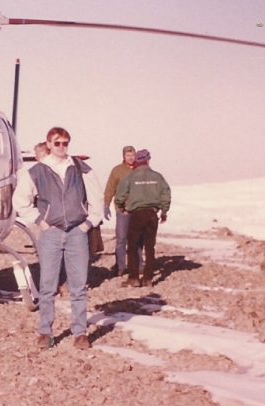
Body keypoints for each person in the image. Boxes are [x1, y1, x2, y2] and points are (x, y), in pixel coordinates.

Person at [13, 127, 103, 350]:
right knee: (47, 285)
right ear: (49, 144)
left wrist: (87, 224)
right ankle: (45, 332)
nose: (62, 147)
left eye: (65, 143)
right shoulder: (35, 172)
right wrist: (41, 221)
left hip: (76, 233)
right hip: (51, 234)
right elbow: (20, 201)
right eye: (58, 143)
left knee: (79, 286)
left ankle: (80, 333)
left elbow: (97, 199)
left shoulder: (82, 169)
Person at [114, 149, 171, 287]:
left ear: (137, 161)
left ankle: (133, 278)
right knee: (150, 247)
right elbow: (166, 194)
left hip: (136, 215)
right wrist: (164, 212)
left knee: (132, 247)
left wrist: (121, 208)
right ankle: (148, 278)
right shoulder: (158, 177)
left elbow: (120, 195)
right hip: (152, 215)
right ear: (148, 160)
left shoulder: (130, 177)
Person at [103, 145, 137, 276]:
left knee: (137, 240)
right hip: (122, 210)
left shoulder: (139, 170)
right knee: (121, 239)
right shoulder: (117, 170)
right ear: (123, 156)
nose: (130, 158)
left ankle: (138, 265)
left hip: (137, 210)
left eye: (132, 155)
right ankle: (120, 267)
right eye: (128, 155)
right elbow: (110, 188)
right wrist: (106, 205)